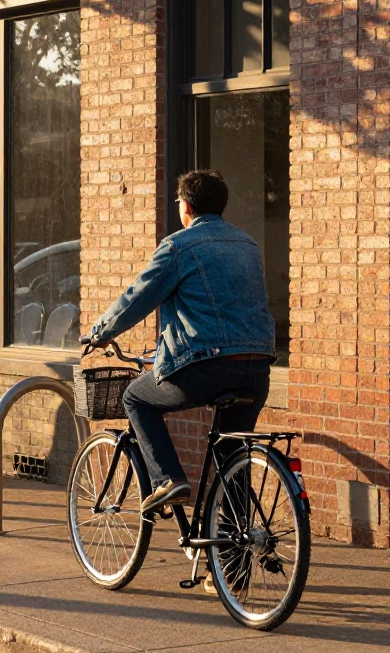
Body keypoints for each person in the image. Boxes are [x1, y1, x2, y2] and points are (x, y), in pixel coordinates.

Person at [89, 169, 274, 515]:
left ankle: (167, 480)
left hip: (207, 368)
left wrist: (101, 334)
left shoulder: (178, 246)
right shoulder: (247, 244)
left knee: (135, 397)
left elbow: (138, 297)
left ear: (185, 205)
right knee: (231, 462)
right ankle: (228, 568)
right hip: (256, 368)